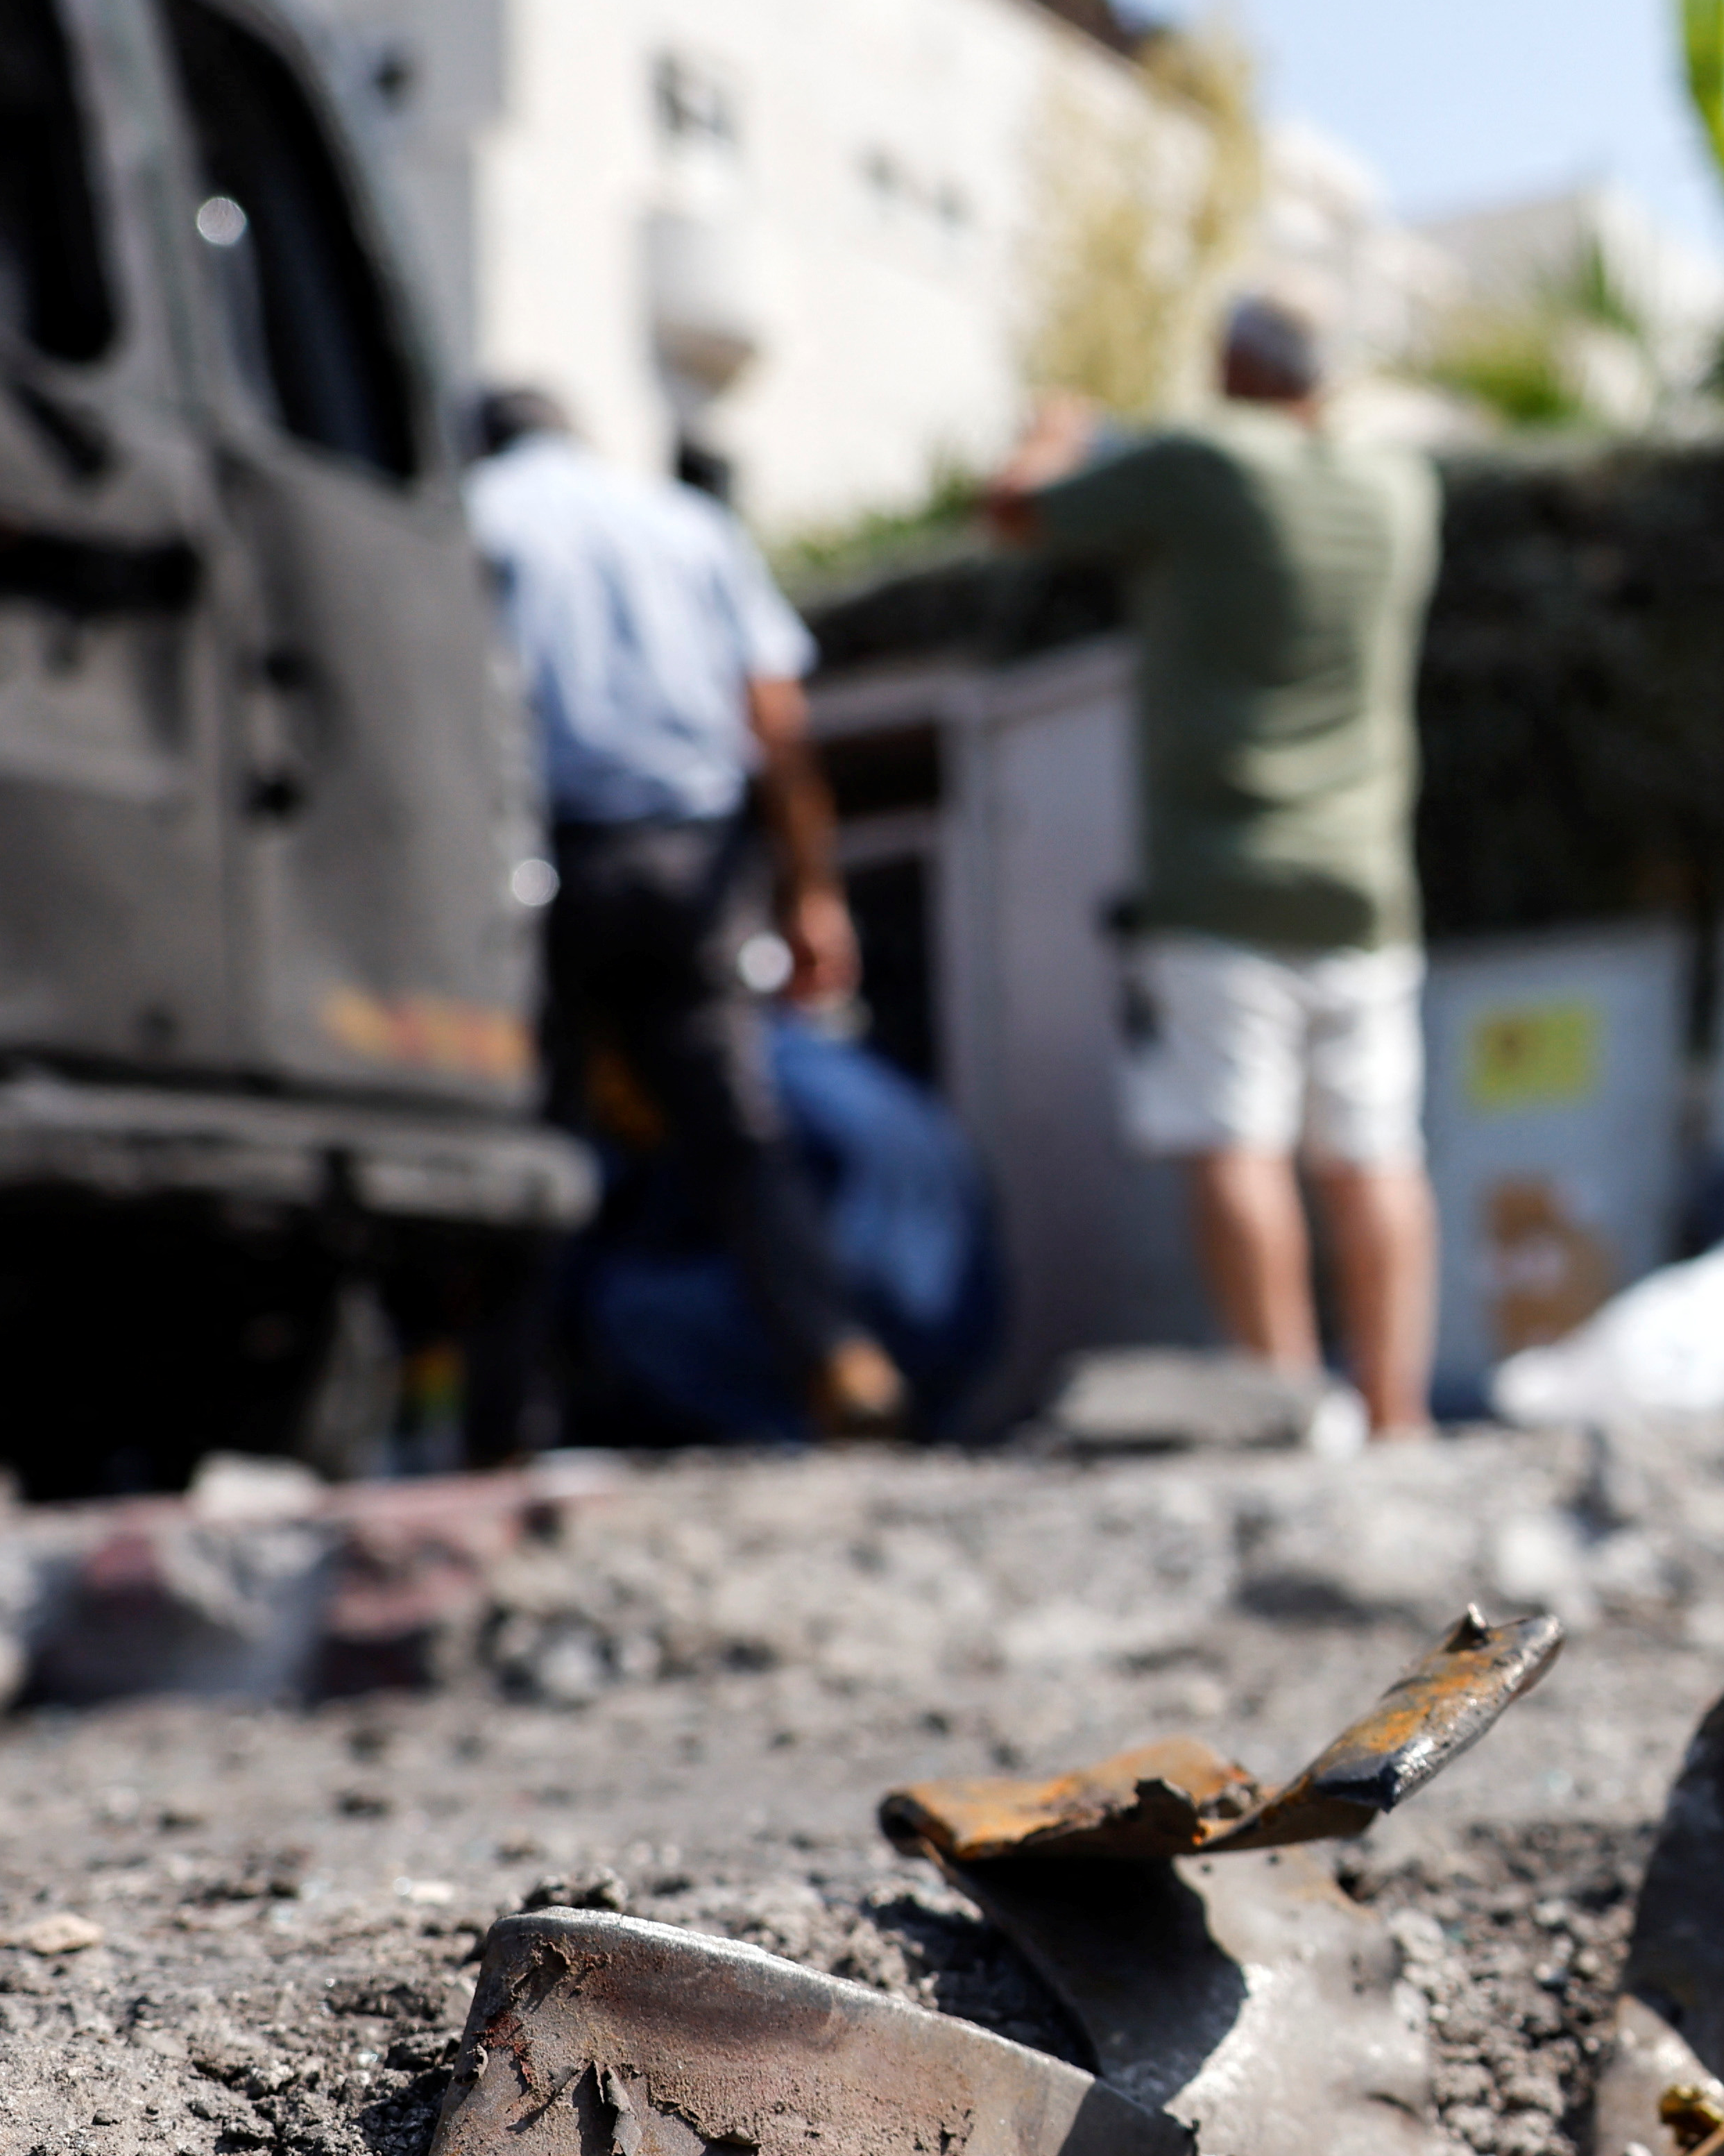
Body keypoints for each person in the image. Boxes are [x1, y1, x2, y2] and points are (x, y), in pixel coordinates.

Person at [993, 298, 1447, 1437]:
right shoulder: (1400, 487)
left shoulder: (1201, 466)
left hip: (1222, 871)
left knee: (1235, 1138)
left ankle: (1286, 1405)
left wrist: (1057, 430)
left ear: (1232, 367)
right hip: (1366, 878)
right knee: (1375, 1153)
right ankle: (1396, 1412)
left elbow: (1013, 511)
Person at [466, 383, 906, 1440]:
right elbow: (777, 723)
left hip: (548, 858)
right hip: (695, 863)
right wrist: (812, 893)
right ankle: (837, 1357)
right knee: (736, 1129)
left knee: (533, 1132)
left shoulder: (480, 516)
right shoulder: (689, 527)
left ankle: (506, 1415)